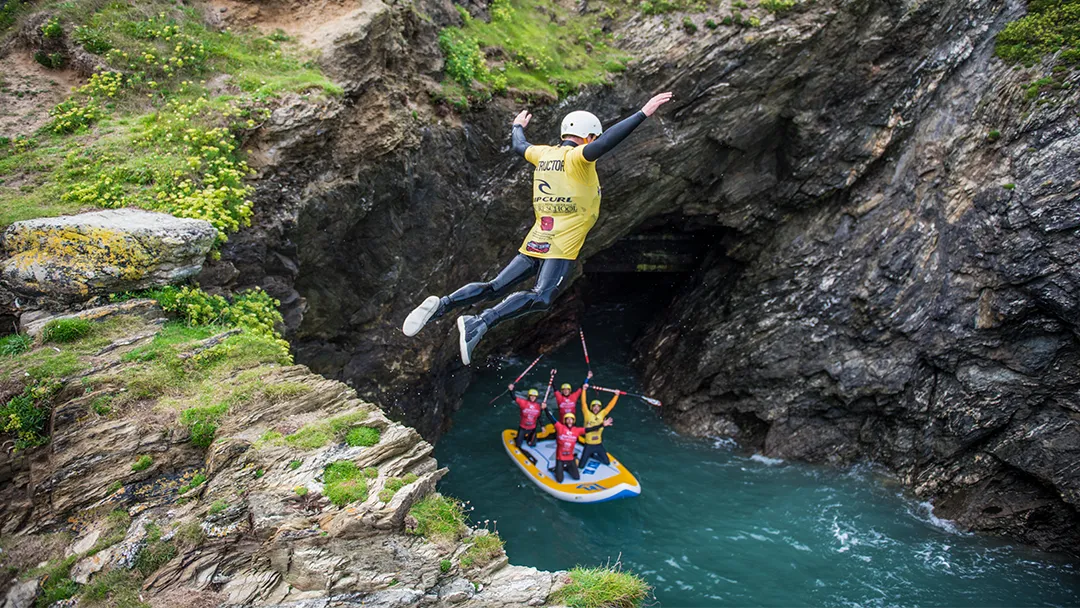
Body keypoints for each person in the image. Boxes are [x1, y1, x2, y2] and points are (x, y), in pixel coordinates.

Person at [401, 92, 675, 365]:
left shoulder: (543, 154)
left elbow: (519, 145)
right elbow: (606, 143)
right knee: (542, 296)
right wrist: (642, 113)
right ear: (588, 136)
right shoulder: (578, 158)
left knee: (496, 286)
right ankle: (480, 322)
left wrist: (517, 126)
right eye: (593, 138)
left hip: (538, 237)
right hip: (561, 244)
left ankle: (442, 305)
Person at [552, 411, 611, 483]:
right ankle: (557, 470)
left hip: (570, 458)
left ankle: (565, 468)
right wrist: (545, 408)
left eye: (571, 419)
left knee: (576, 477)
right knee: (560, 480)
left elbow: (590, 429)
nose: (569, 421)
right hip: (560, 458)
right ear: (565, 420)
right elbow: (551, 418)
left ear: (573, 421)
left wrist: (602, 425)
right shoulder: (560, 427)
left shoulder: (577, 430)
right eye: (568, 419)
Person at [579, 389, 619, 467]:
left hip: (598, 444)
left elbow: (610, 406)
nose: (596, 408)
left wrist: (616, 395)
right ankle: (590, 454)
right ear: (591, 407)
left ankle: (593, 456)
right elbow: (583, 403)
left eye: (598, 407)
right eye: (594, 406)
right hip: (588, 445)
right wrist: (584, 390)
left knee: (607, 462)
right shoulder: (587, 414)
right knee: (581, 466)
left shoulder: (602, 414)